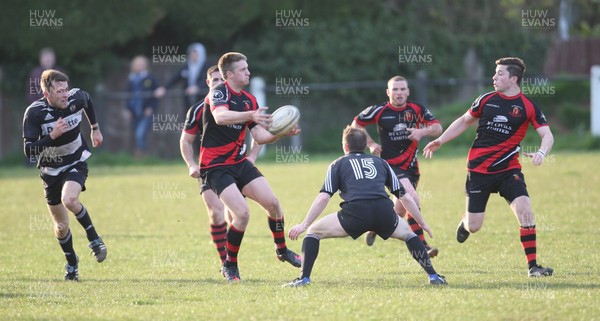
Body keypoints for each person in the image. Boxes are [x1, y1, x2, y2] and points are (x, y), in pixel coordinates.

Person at [423, 57, 554, 277]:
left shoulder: (528, 106)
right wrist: (441, 140)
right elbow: (464, 121)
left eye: (500, 73)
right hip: (479, 171)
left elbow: (547, 134)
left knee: (526, 213)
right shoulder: (486, 99)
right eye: (495, 73)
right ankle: (465, 223)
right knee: (475, 226)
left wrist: (541, 152)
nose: (494, 77)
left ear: (513, 79)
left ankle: (533, 267)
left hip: (508, 171)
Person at [285, 125, 447, 287]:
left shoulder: (338, 164)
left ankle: (304, 279)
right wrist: (422, 223)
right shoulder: (381, 162)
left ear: (345, 146)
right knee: (409, 235)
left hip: (356, 214)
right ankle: (433, 276)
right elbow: (405, 196)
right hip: (384, 212)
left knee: (313, 232)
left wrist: (304, 225)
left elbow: (323, 197)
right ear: (364, 145)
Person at [200, 52, 301, 282]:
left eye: (247, 68)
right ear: (229, 74)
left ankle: (282, 250)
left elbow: (260, 136)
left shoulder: (249, 99)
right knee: (242, 214)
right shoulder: (219, 92)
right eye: (243, 69)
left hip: (239, 162)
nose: (248, 72)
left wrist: (281, 133)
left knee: (273, 204)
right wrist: (250, 115)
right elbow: (220, 117)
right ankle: (230, 265)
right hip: (216, 166)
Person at [22, 69, 107, 281]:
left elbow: (87, 100)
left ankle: (94, 238)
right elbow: (29, 150)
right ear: (46, 93)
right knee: (61, 227)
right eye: (59, 91)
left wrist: (95, 128)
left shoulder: (75, 98)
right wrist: (52, 136)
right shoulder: (34, 113)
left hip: (75, 160)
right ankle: (72, 263)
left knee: (69, 199)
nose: (65, 94)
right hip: (50, 171)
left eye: (66, 89)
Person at [352, 76, 442, 257]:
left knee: (399, 211)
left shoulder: (417, 109)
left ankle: (377, 227)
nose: (399, 93)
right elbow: (356, 124)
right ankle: (423, 246)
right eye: (395, 89)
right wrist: (370, 143)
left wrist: (421, 132)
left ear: (408, 91)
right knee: (412, 199)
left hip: (411, 168)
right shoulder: (379, 110)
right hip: (390, 167)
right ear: (388, 92)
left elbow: (438, 128)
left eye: (402, 89)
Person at [180, 65, 261, 266]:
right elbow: (185, 141)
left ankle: (230, 262)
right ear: (208, 83)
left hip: (235, 166)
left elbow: (258, 133)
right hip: (210, 167)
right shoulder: (199, 109)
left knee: (235, 214)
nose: (219, 85)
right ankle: (224, 262)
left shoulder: (239, 105)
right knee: (216, 213)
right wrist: (191, 165)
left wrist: (252, 157)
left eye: (221, 81)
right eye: (214, 81)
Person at [155, 43, 209, 114]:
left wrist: (197, 87)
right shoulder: (187, 66)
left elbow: (208, 79)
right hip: (188, 100)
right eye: (192, 53)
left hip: (203, 99)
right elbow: (175, 78)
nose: (193, 55)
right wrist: (164, 88)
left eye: (196, 53)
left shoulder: (207, 66)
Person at [125, 55, 159, 158]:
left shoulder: (150, 78)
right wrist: (128, 110)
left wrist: (151, 107)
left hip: (146, 111)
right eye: (137, 64)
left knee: (140, 134)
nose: (139, 66)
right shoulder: (131, 79)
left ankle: (141, 155)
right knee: (137, 134)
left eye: (141, 64)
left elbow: (156, 95)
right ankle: (142, 155)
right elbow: (127, 95)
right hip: (134, 111)